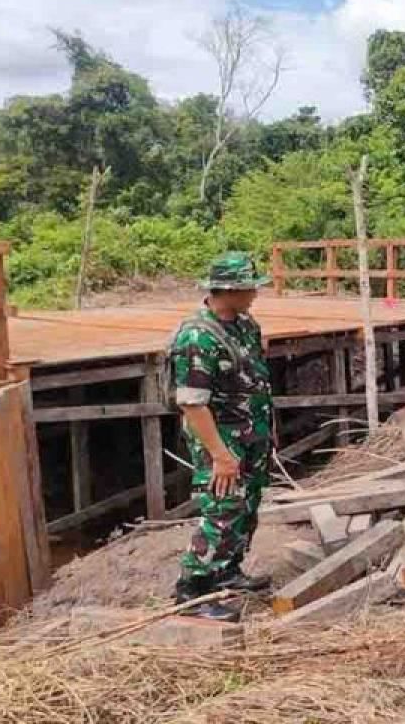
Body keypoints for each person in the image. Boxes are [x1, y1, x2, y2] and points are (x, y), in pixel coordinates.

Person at [171, 252, 275, 623]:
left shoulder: (245, 325)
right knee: (221, 511)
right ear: (227, 290)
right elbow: (193, 404)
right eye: (248, 287)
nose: (254, 294)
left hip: (252, 436)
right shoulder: (197, 337)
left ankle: (226, 571)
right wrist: (220, 455)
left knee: (246, 507)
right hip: (222, 441)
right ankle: (192, 589)